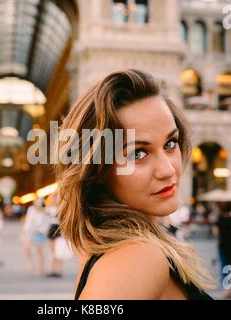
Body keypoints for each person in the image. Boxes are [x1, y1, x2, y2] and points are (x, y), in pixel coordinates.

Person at [55, 69, 214, 300]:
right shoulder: (138, 258)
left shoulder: (113, 250)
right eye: (138, 154)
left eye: (170, 143)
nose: (168, 170)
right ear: (96, 171)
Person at [20, 198, 50, 276]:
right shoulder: (31, 209)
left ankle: (40, 269)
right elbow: (28, 221)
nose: (36, 204)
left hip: (39, 233)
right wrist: (24, 231)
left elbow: (47, 223)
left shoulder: (45, 211)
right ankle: (30, 262)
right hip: (29, 232)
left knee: (39, 252)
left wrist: (42, 231)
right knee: (27, 248)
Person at [212, 202, 231, 299]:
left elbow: (215, 232)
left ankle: (227, 290)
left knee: (225, 267)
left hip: (223, 246)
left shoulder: (220, 219)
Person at [46, 194, 63, 278]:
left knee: (59, 251)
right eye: (52, 198)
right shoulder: (48, 209)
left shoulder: (61, 208)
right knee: (52, 252)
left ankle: (59, 270)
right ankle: (53, 270)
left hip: (59, 229)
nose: (53, 200)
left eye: (55, 198)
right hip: (51, 229)